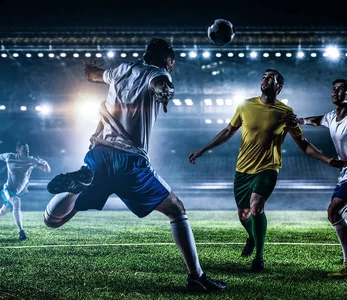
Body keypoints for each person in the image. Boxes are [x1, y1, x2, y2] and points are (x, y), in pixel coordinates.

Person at [43, 38, 225, 292]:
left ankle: (77, 187)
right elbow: (160, 84)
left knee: (53, 221)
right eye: (172, 62)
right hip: (130, 161)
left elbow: (93, 75)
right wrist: (166, 91)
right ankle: (196, 276)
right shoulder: (158, 73)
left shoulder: (121, 69)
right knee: (176, 209)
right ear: (167, 60)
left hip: (99, 153)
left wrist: (89, 69)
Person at [189, 69, 347, 272]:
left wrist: (327, 160)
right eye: (263, 76)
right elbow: (228, 131)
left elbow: (304, 144)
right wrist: (203, 150)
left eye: (270, 77)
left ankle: (259, 258)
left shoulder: (286, 112)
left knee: (256, 207)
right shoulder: (245, 105)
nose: (265, 79)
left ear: (278, 87)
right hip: (243, 169)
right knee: (244, 214)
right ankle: (253, 238)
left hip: (268, 168)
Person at [283, 79, 347, 278]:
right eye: (334, 89)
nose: (335, 92)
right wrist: (301, 121)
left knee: (333, 212)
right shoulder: (332, 116)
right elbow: (318, 120)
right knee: (336, 214)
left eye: (341, 90)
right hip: (345, 174)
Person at [0, 141, 51, 241]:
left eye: (28, 150)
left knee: (3, 211)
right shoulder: (9, 156)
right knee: (16, 202)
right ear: (17, 150)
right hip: (7, 189)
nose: (26, 152)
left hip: (19, 192)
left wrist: (45, 163)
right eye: (24, 150)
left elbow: (47, 170)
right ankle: (21, 231)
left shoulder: (32, 160)